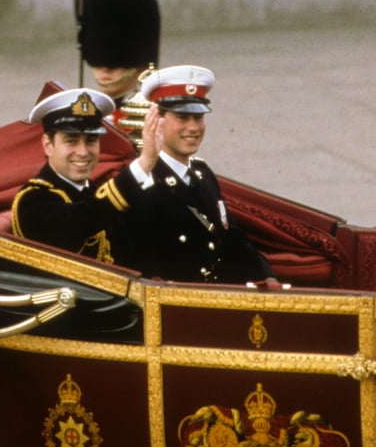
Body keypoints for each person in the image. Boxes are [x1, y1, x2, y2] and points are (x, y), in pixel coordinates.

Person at [112, 65, 274, 283]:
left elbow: (231, 238)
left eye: (198, 118)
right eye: (182, 118)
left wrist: (266, 275)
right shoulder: (143, 181)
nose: (193, 127)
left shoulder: (202, 173)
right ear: (156, 121)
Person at [11, 88, 160, 265]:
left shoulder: (98, 192)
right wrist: (142, 165)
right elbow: (81, 220)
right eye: (71, 141)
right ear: (48, 145)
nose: (83, 152)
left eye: (91, 140)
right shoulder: (32, 201)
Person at [73, 0, 160, 129]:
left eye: (114, 64)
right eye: (98, 62)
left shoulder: (151, 119)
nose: (105, 69)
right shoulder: (90, 114)